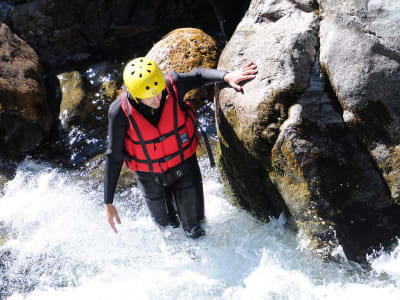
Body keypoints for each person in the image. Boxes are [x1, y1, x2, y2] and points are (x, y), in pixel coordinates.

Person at [104, 56, 257, 238]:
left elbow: (198, 76)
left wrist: (226, 76)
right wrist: (109, 203)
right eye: (150, 96)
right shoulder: (119, 113)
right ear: (136, 95)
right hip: (150, 180)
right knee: (168, 235)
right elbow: (113, 157)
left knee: (197, 232)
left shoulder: (172, 85)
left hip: (185, 170)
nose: (157, 98)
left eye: (158, 91)